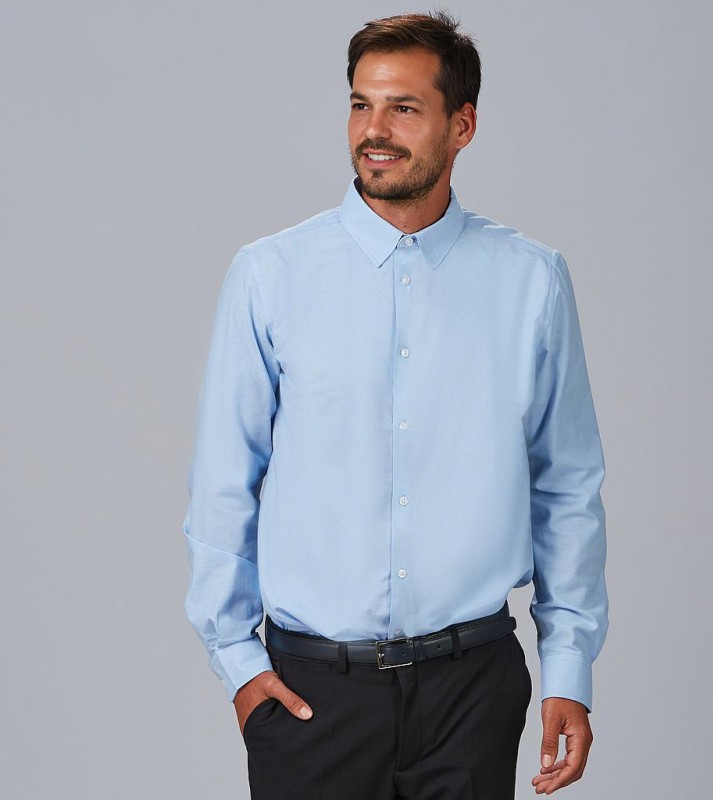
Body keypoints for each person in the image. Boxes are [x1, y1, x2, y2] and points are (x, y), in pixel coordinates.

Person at [182, 10, 609, 799]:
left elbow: (567, 486)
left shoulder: (531, 282)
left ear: (462, 126)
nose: (373, 131)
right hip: (312, 697)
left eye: (403, 108)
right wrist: (238, 664)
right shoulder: (270, 276)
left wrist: (569, 667)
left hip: (472, 692)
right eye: (360, 104)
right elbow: (223, 483)